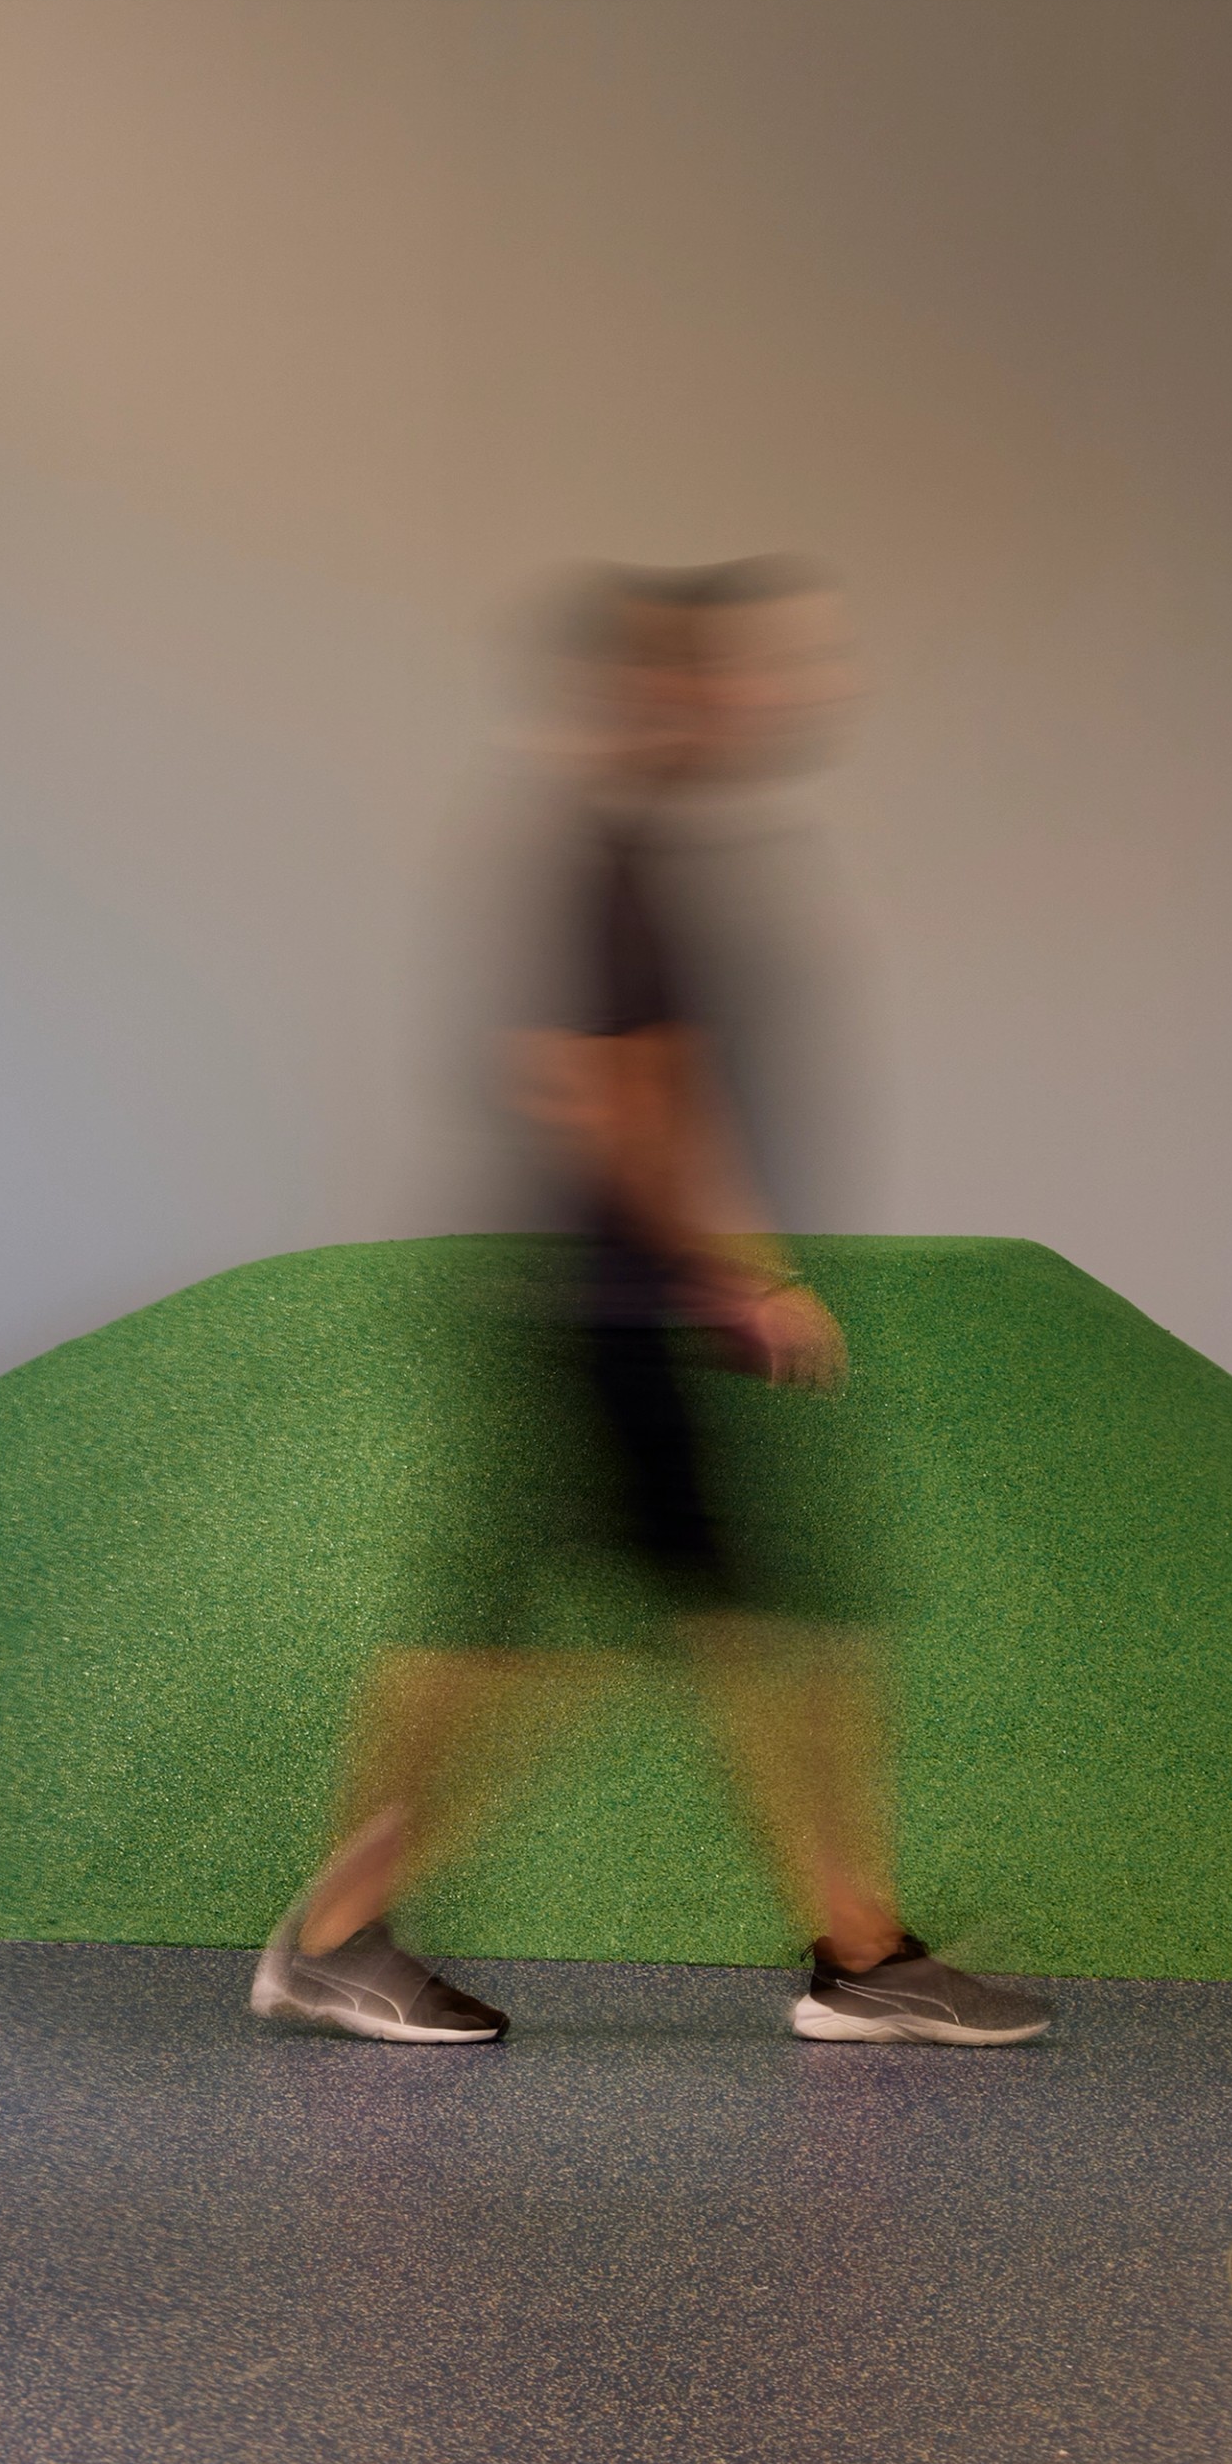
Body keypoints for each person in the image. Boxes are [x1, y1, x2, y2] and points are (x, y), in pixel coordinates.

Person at [251, 561, 1049, 2054]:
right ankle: (348, 1934)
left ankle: (857, 1946)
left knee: (703, 1627)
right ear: (651, 695)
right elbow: (604, 1094)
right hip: (608, 1319)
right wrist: (739, 1273)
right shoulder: (610, 870)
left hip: (613, 1311)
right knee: (629, 1640)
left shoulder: (636, 865)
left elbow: (633, 1086)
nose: (754, 699)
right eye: (717, 677)